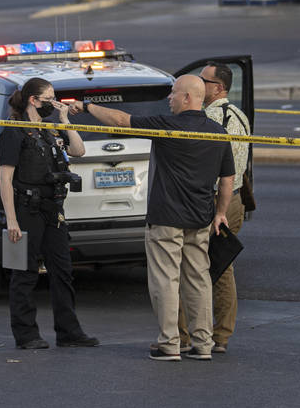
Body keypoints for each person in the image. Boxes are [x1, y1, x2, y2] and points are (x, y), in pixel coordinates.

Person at [73, 75, 234, 362]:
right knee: (199, 280)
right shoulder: (217, 132)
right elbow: (227, 178)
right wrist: (220, 213)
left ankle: (170, 343)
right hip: (200, 218)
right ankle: (203, 344)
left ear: (187, 98)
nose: (169, 99)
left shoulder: (168, 126)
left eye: (173, 94)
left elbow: (121, 121)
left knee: (165, 281)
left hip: (166, 217)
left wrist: (87, 107)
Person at [0, 77, 98, 350]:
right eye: (49, 99)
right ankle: (26, 334)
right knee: (24, 272)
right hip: (25, 209)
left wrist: (65, 120)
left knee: (63, 270)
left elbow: (78, 150)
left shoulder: (50, 131)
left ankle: (69, 331)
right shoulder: (14, 132)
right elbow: (5, 179)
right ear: (33, 100)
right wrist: (12, 220)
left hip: (53, 210)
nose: (53, 104)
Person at [177, 62, 250, 354]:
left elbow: (204, 165)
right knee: (223, 267)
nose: (198, 84)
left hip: (210, 201)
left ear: (218, 88)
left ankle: (183, 337)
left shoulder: (209, 118)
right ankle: (221, 336)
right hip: (235, 199)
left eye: (203, 81)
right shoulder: (240, 116)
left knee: (189, 268)